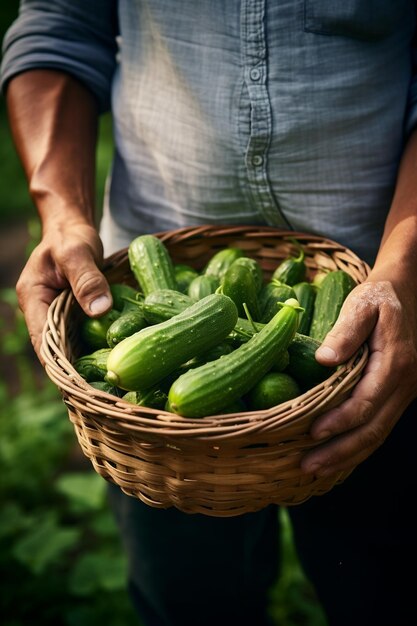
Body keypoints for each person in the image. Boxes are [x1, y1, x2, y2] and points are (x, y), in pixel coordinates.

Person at [2, 2, 417, 625]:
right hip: (151, 233)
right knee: (188, 602)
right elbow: (60, 21)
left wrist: (407, 264)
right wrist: (61, 213)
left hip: (386, 304)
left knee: (389, 585)